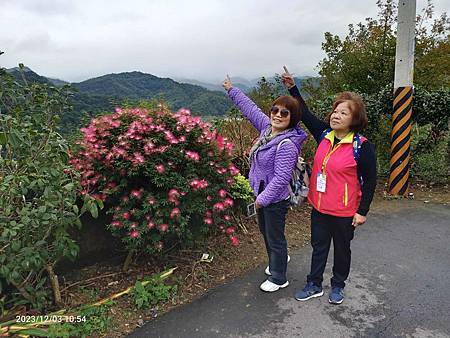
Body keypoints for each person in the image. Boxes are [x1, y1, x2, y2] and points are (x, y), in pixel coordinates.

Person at [281, 71, 377, 304]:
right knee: (318, 247)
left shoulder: (361, 146)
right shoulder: (324, 134)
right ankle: (314, 284)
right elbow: (305, 114)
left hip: (344, 211)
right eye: (335, 111)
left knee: (342, 250)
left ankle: (338, 285)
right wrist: (293, 88)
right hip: (320, 207)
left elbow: (371, 179)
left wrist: (362, 211)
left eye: (343, 113)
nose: (336, 115)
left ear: (354, 119)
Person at [223, 75, 307, 292]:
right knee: (267, 232)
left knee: (275, 236)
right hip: (261, 195)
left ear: (293, 117)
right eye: (275, 111)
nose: (278, 115)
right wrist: (232, 90)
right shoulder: (267, 131)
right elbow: (250, 109)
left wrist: (261, 200)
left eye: (284, 113)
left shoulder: (287, 145)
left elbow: (280, 180)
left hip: (274, 199)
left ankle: (279, 277)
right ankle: (277, 260)